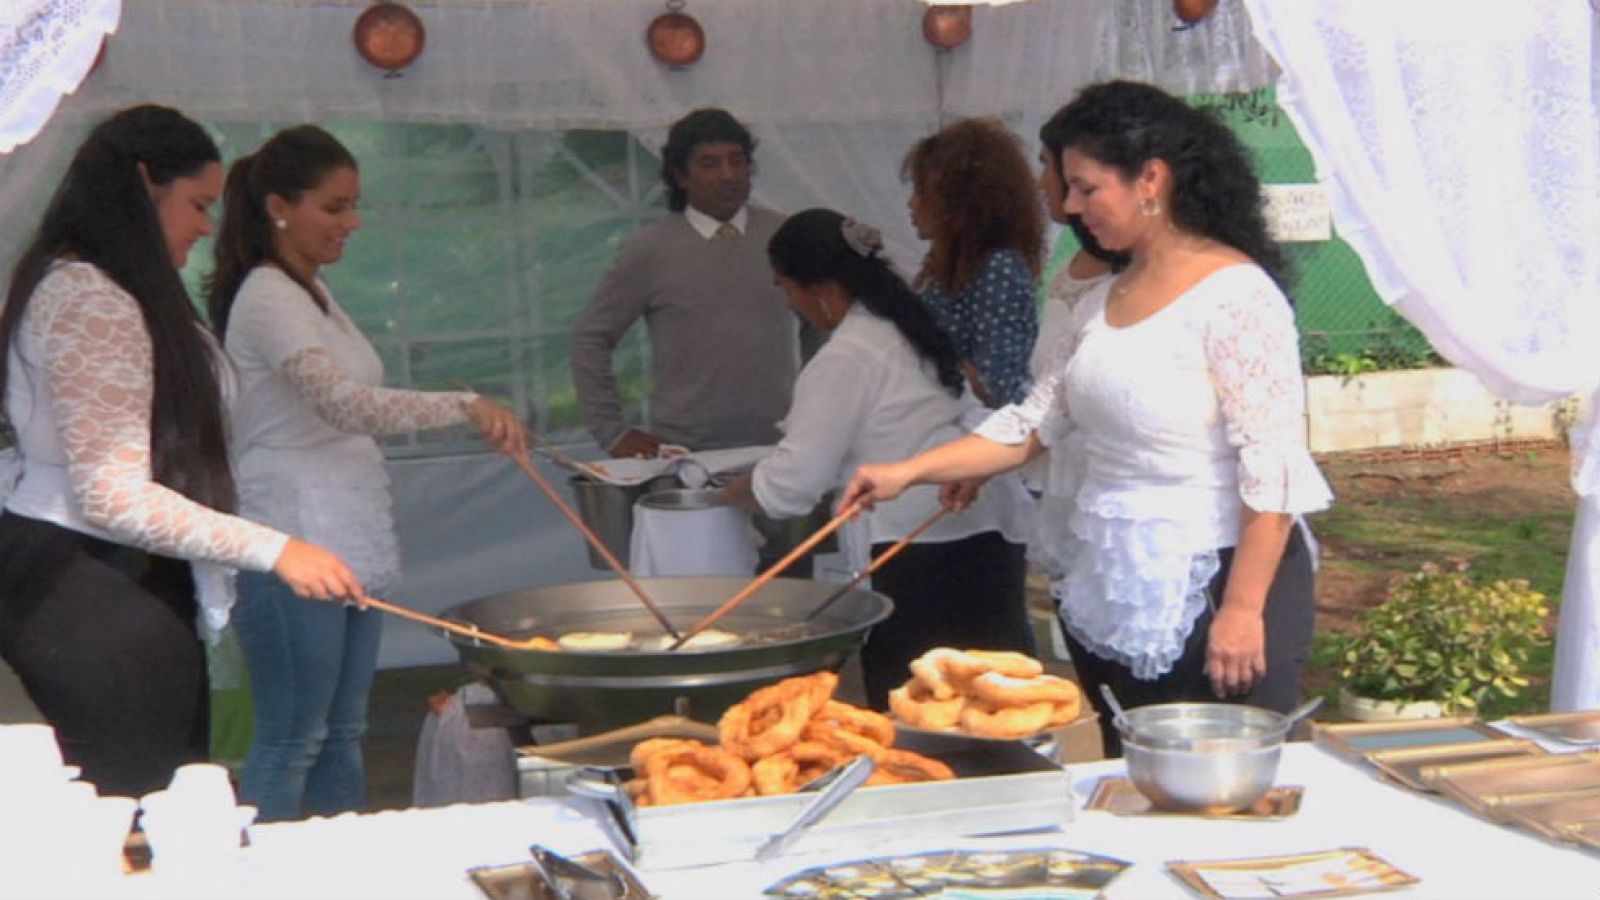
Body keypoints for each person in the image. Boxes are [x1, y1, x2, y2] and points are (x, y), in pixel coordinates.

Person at [844, 81, 1334, 754]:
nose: (1069, 206)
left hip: (1216, 581)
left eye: (1086, 187)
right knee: (1130, 771)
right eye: (1066, 186)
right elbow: (1033, 424)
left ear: (1151, 179)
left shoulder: (1237, 295)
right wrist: (906, 472)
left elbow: (1273, 470)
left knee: (1221, 786)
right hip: (1113, 576)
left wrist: (1246, 610)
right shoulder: (1105, 295)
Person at [0, 105, 363, 798]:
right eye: (198, 204)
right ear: (143, 183)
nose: (206, 225)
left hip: (106, 571)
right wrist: (277, 549)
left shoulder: (95, 284)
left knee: (154, 790)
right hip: (84, 573)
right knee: (132, 800)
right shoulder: (88, 296)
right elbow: (110, 492)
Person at [206, 124, 525, 821]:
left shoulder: (310, 291)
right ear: (277, 206)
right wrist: (463, 403)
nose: (351, 223)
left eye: (355, 205)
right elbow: (342, 403)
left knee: (342, 734)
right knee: (295, 735)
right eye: (335, 206)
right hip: (291, 529)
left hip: (344, 526)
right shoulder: (267, 294)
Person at [720, 209, 1033, 709]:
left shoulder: (846, 357)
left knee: (920, 712)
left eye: (786, 288)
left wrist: (732, 492)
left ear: (819, 289)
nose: (789, 302)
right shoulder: (911, 326)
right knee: (998, 701)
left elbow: (793, 483)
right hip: (985, 536)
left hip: (910, 555)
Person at [571, 108, 816, 458]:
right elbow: (591, 338)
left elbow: (821, 324)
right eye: (709, 164)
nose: (728, 175)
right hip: (686, 455)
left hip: (779, 447)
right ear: (680, 176)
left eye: (737, 161)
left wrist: (818, 413)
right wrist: (612, 433)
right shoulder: (650, 250)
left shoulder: (784, 236)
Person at [902, 118, 1045, 407]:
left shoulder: (997, 268)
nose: (911, 204)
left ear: (958, 202)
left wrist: (937, 359)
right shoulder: (950, 264)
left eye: (921, 192)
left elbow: (1001, 385)